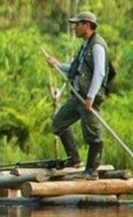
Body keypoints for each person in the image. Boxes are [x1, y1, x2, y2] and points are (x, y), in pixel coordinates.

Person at [44, 11, 110, 179]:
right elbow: (78, 69)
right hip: (78, 96)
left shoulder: (97, 45)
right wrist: (58, 65)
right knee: (59, 123)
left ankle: (92, 170)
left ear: (87, 25)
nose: (75, 28)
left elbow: (100, 73)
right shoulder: (85, 45)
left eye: (77, 24)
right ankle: (74, 159)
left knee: (93, 134)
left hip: (88, 97)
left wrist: (91, 96)